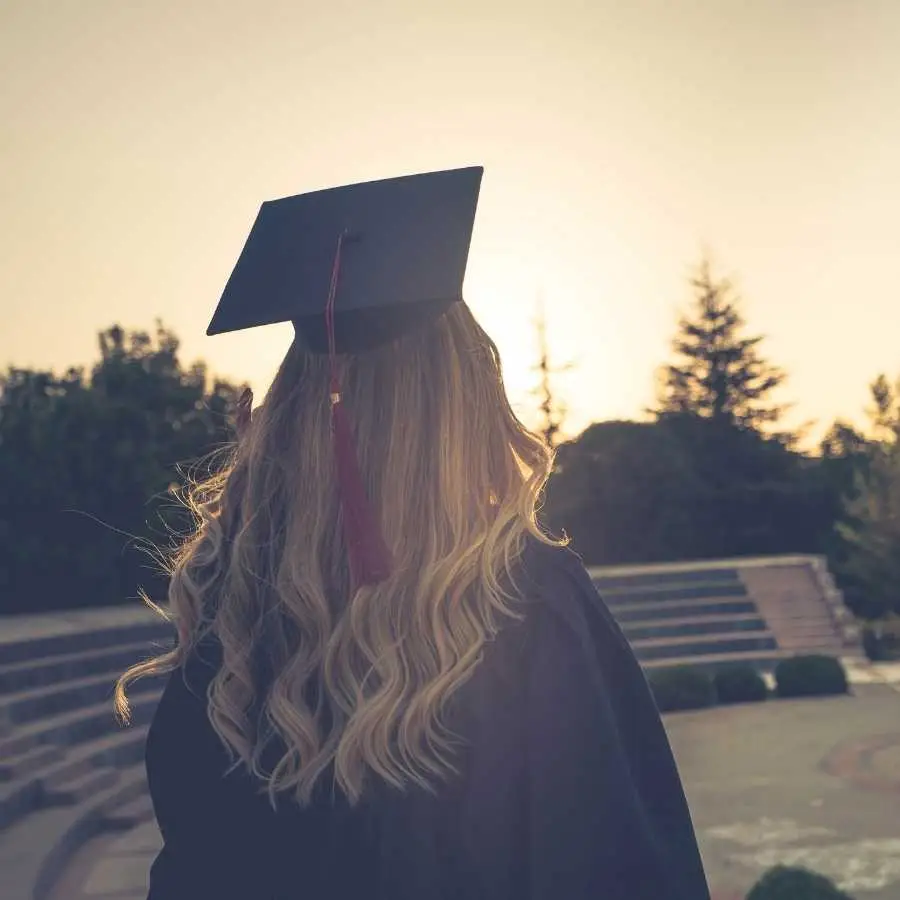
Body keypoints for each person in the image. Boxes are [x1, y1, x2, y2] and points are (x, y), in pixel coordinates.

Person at [114, 167, 711, 900]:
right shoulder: (524, 602)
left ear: (296, 403)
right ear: (461, 403)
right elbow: (616, 863)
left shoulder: (226, 618)